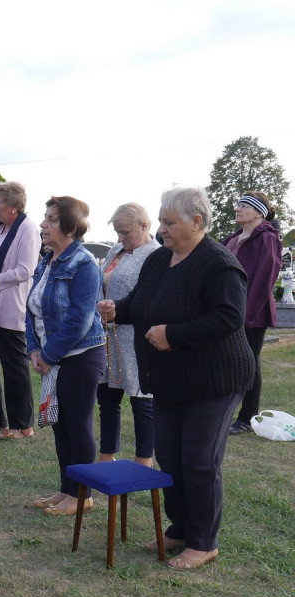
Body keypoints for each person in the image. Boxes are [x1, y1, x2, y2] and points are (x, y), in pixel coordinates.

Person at [99, 187, 254, 570]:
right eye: (162, 222)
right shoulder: (159, 260)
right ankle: (180, 527)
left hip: (214, 381)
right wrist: (117, 309)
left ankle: (204, 541)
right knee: (169, 457)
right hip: (170, 380)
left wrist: (173, 335)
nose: (163, 229)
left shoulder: (218, 264)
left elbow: (229, 317)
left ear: (196, 222)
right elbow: (141, 303)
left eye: (169, 222)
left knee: (199, 460)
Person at [25, 196, 106, 515]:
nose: (43, 224)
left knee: (77, 424)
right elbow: (32, 309)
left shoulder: (84, 263)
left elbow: (80, 318)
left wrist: (48, 354)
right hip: (52, 355)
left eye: (52, 219)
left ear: (71, 228)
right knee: (60, 424)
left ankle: (82, 496)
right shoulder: (46, 260)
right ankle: (66, 490)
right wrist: (33, 349)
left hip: (81, 355)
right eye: (44, 218)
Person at [97, 203, 159, 467]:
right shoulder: (116, 250)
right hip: (108, 334)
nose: (120, 237)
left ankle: (144, 458)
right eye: (117, 232)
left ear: (144, 226)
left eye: (125, 232)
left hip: (135, 336)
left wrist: (119, 308)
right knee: (107, 399)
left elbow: (152, 298)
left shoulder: (157, 255)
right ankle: (107, 455)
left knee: (141, 399)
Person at [0, 181, 41, 440]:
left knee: (14, 366)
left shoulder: (27, 229)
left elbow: (25, 270)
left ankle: (22, 425)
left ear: (14, 208)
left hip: (10, 307)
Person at [222, 192, 282, 435]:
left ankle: (247, 417)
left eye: (244, 205)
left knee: (250, 361)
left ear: (259, 213)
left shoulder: (266, 238)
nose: (238, 208)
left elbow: (264, 279)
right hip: (228, 309)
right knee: (229, 361)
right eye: (238, 203)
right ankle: (225, 411)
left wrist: (245, 315)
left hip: (251, 312)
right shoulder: (233, 238)